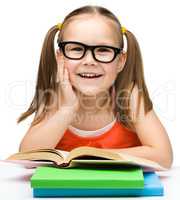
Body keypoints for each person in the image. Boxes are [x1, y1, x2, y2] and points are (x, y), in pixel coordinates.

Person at [17, 5, 173, 168]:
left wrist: (94, 157)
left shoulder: (128, 96)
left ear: (120, 61)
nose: (89, 61)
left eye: (103, 50)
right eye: (77, 49)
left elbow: (163, 156)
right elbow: (26, 157)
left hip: (119, 191)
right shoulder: (53, 98)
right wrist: (67, 109)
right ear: (60, 58)